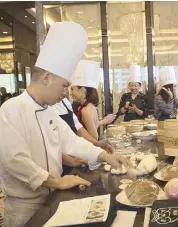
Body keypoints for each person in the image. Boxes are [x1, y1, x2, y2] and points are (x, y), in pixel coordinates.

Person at [0, 22, 130, 227]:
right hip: (24, 209)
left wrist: (106, 156)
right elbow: (15, 161)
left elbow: (72, 141)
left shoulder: (49, 111)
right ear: (46, 77)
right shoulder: (10, 109)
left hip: (52, 199)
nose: (65, 93)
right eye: (64, 86)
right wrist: (57, 181)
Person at [70, 60, 116, 140]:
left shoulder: (85, 110)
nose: (71, 93)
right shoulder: (89, 106)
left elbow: (94, 137)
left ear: (82, 90)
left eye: (72, 89)